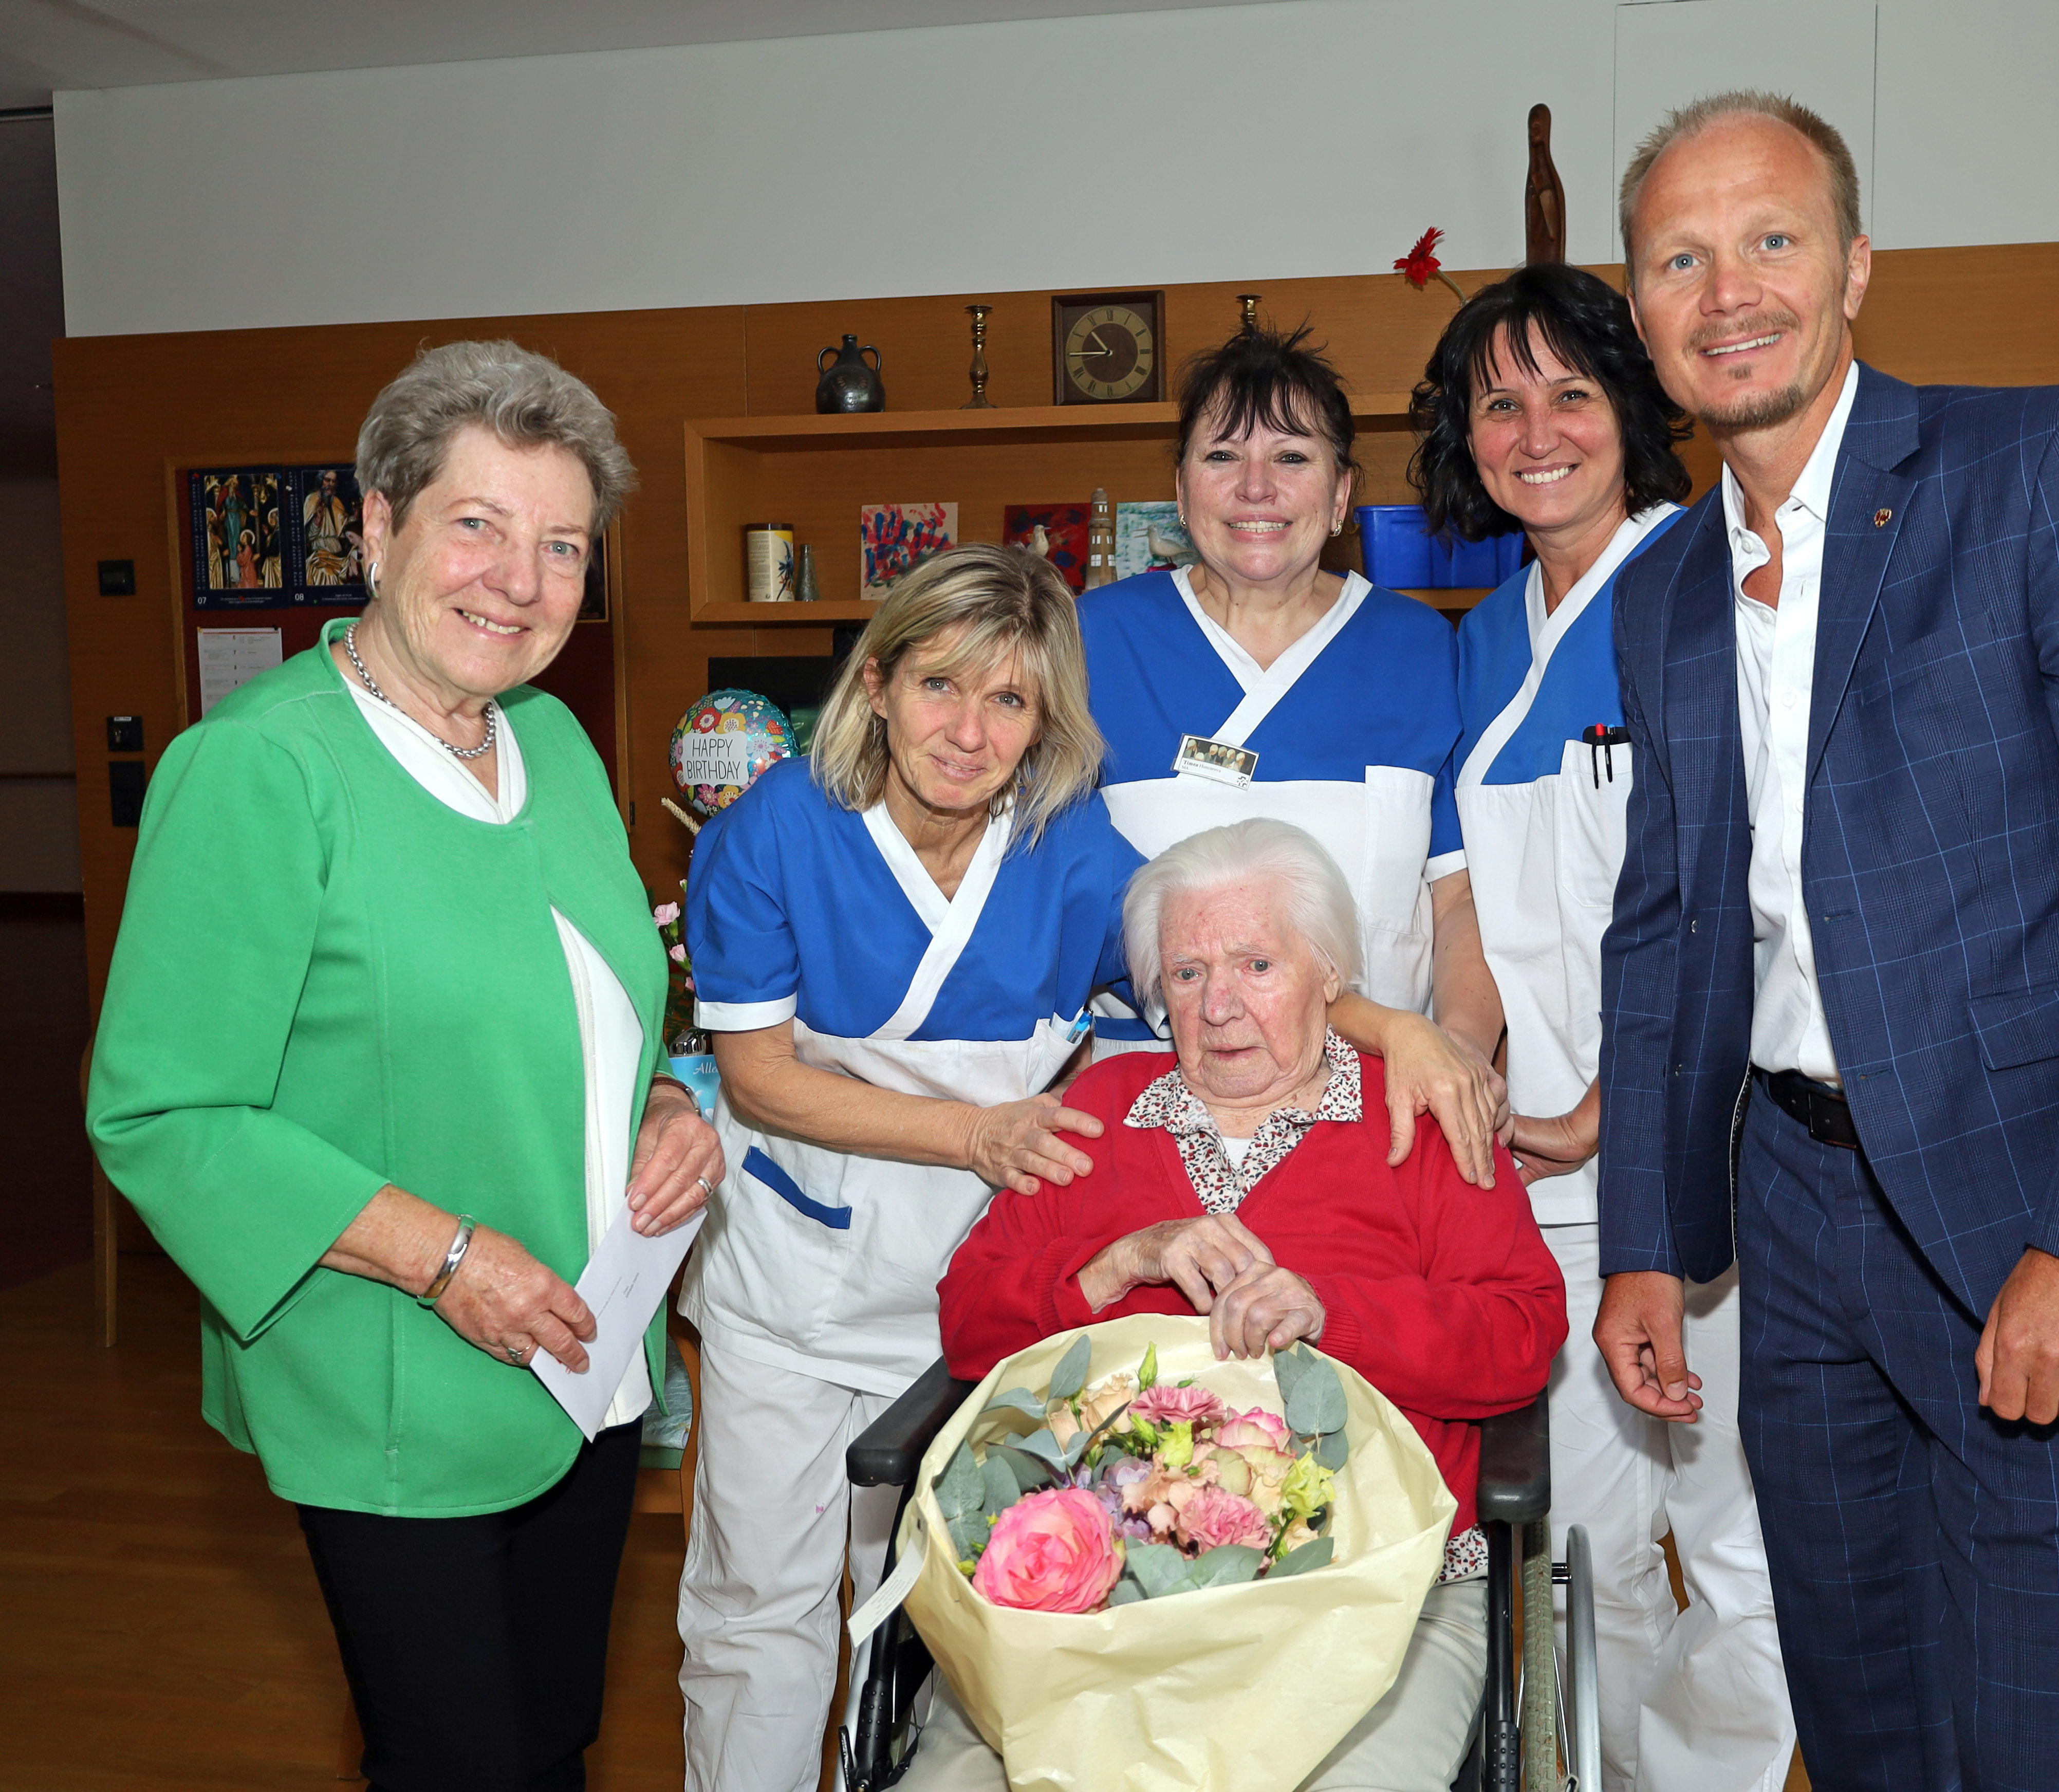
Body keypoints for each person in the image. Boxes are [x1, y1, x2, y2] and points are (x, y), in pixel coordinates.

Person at [1593, 93, 2059, 1792]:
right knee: (1861, 1725)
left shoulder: (2049, 466)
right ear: (1641, 310)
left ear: (1854, 266)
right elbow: (1668, 927)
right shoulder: (1662, 586)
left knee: (2035, 1744)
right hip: (1792, 1211)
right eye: (1680, 258)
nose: (1727, 290)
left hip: (2025, 1200)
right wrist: (1645, 1238)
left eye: (1770, 240)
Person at [87, 339, 723, 1792]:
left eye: (562, 545)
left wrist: (665, 1101)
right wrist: (445, 1260)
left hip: (583, 1353)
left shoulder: (555, 743)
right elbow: (165, 1112)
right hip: (401, 1365)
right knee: (456, 1764)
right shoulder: (266, 768)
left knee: (553, 1743)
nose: (520, 579)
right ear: (377, 528)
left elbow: (582, 998)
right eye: (477, 523)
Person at [910, 818, 1568, 1791]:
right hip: (1094, 1598)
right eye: (1186, 974)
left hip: (1369, 1596)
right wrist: (1117, 1263)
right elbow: (967, 1326)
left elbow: (1519, 1333)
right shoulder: (1100, 1112)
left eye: (1257, 965)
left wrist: (1332, 1315)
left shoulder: (1420, 1120)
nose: (1218, 1006)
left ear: (1330, 975)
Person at [674, 544, 1144, 1792]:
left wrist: (1385, 1024)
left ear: (1045, 722)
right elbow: (761, 1079)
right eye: (940, 685)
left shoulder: (1072, 846)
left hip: (975, 1302)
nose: (969, 733)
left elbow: (1210, 958)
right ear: (876, 684)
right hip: (790, 1290)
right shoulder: (775, 830)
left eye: (1009, 700)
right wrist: (979, 1135)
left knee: (942, 1611)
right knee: (758, 1606)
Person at [1411, 262, 1794, 1792]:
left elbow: (1751, 903)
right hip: (1532, 1181)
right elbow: (1470, 909)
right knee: (1577, 1546)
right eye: (1499, 403)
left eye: (1571, 392)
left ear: (1632, 406)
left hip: (1712, 1168)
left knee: (1741, 1538)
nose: (1536, 432)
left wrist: (1617, 1111)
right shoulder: (1474, 641)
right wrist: (1472, 1068)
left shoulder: (1714, 588)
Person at [1078, 327, 1506, 1178]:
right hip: (1149, 1117)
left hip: (1380, 1114)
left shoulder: (1418, 648)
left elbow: (1458, 899)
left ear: (1342, 494)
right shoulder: (1090, 644)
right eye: (1222, 455)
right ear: (1179, 490)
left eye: (1292, 457)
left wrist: (1457, 1053)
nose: (1255, 487)